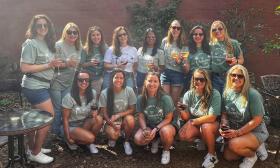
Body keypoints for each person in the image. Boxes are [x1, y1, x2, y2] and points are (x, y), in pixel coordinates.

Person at [20, 14, 61, 164]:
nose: (43, 28)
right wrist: (49, 65)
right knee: (48, 117)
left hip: (43, 85)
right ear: (34, 28)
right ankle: (35, 153)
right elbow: (24, 67)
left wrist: (56, 65)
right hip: (34, 86)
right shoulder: (31, 43)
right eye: (39, 25)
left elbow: (48, 64)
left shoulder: (48, 43)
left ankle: (31, 148)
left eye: (45, 25)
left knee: (34, 119)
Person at [220, 64, 269, 168]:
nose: (236, 78)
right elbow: (224, 114)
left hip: (255, 130)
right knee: (228, 156)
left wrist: (237, 133)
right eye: (233, 75)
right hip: (238, 130)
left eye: (240, 76)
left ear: (245, 78)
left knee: (233, 144)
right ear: (229, 76)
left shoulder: (253, 94)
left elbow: (257, 119)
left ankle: (252, 155)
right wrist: (223, 124)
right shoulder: (226, 93)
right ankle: (252, 146)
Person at [176, 68, 221, 168]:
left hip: (212, 125)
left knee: (205, 127)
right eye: (196, 79)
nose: (198, 81)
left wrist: (192, 121)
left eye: (202, 79)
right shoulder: (188, 94)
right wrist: (182, 110)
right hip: (197, 125)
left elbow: (212, 117)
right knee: (183, 135)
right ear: (193, 79)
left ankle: (212, 155)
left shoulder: (214, 94)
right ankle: (203, 140)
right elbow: (186, 117)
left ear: (207, 80)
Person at [134, 72, 176, 165]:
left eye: (155, 81)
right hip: (150, 125)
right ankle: (155, 140)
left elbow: (168, 119)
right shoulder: (141, 98)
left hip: (165, 125)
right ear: (145, 82)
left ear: (159, 83)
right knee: (138, 139)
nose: (152, 84)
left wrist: (156, 129)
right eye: (149, 81)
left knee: (165, 132)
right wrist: (145, 129)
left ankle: (166, 150)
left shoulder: (166, 98)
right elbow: (141, 117)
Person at [50, 22, 82, 137]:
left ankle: (62, 131)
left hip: (69, 82)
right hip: (56, 81)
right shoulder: (58, 45)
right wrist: (68, 63)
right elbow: (53, 64)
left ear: (78, 34)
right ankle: (55, 132)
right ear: (65, 33)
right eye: (69, 32)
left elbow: (78, 64)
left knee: (65, 107)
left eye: (75, 32)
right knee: (57, 108)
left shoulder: (79, 46)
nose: (72, 34)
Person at [61, 70, 103, 153]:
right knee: (91, 138)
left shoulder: (93, 93)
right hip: (71, 125)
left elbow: (94, 109)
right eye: (81, 80)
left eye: (87, 80)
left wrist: (94, 113)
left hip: (84, 122)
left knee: (99, 119)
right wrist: (67, 137)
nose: (84, 82)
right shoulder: (69, 97)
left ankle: (87, 142)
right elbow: (65, 119)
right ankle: (71, 140)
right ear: (76, 81)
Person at [99, 69, 136, 155]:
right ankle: (113, 136)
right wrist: (112, 124)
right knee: (114, 136)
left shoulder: (129, 90)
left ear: (124, 80)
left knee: (130, 119)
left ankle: (126, 141)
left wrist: (118, 115)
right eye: (116, 77)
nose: (118, 80)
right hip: (110, 121)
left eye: (121, 78)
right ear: (112, 79)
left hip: (123, 120)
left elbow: (132, 109)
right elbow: (104, 113)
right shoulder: (105, 93)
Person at [209, 20, 244, 94]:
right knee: (217, 100)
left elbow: (241, 60)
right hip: (215, 78)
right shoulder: (210, 45)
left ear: (225, 30)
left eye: (220, 29)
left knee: (228, 101)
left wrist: (236, 61)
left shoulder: (233, 43)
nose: (217, 31)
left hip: (229, 77)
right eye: (214, 29)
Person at [160, 19, 189, 105]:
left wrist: (180, 61)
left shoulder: (184, 44)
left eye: (178, 28)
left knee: (174, 101)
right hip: (165, 73)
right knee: (165, 100)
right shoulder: (165, 41)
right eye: (173, 27)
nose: (175, 30)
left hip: (177, 73)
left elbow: (185, 64)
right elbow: (161, 56)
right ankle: (167, 118)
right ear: (170, 29)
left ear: (180, 30)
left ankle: (174, 118)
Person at [81, 26, 108, 98]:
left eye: (98, 34)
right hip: (87, 79)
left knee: (96, 97)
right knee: (86, 97)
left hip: (98, 79)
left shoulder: (105, 47)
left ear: (101, 36)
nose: (96, 37)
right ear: (90, 37)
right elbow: (81, 65)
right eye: (93, 35)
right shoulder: (86, 49)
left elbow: (107, 62)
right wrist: (90, 63)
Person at [136, 28, 164, 93]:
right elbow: (136, 64)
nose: (151, 38)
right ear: (145, 38)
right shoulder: (140, 49)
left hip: (152, 78)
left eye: (153, 37)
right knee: (140, 97)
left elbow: (162, 69)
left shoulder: (160, 52)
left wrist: (155, 67)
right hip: (140, 76)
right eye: (148, 37)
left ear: (156, 38)